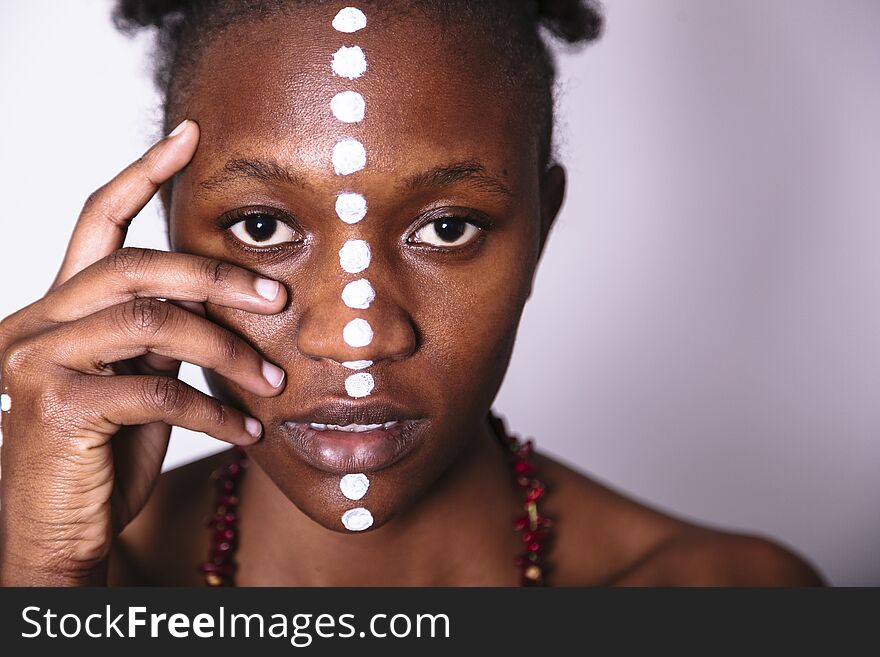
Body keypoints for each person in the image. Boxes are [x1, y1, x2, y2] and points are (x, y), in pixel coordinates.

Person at [0, 0, 824, 587]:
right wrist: (43, 580)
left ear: (542, 230)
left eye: (448, 228)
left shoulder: (729, 595)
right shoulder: (61, 573)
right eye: (260, 227)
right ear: (165, 235)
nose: (355, 337)